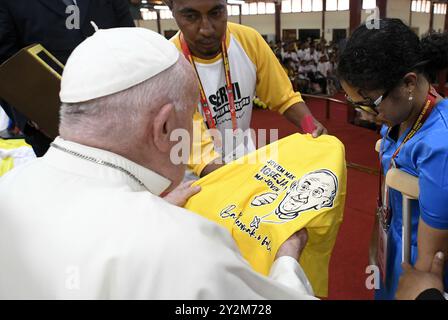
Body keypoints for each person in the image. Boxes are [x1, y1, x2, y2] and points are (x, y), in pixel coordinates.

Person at [0, 27, 316, 300]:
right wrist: (287, 258)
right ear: (165, 127)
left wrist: (151, 206)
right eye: (192, 119)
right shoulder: (184, 244)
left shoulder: (9, 188)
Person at [338, 18, 448, 300]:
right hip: (395, 241)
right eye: (354, 103)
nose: (363, 115)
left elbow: (428, 266)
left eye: (368, 104)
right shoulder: (398, 115)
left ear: (408, 83)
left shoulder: (440, 147)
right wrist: (378, 240)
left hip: (417, 258)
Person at [165, 0, 327, 178]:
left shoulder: (248, 40)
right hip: (197, 174)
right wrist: (235, 181)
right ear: (171, 8)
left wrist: (311, 126)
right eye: (190, 17)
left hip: (244, 159)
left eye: (216, 13)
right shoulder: (168, 64)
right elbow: (199, 150)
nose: (207, 29)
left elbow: (284, 97)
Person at [0, 0, 135, 156]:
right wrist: (31, 117)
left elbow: (130, 42)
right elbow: (5, 62)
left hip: (118, 117)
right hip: (52, 129)